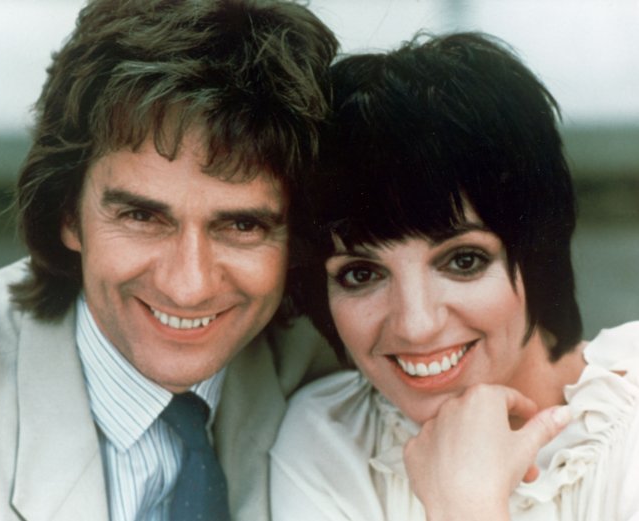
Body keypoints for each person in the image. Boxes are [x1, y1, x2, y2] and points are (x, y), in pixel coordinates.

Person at [0, 1, 340, 519]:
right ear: (68, 215)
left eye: (241, 226)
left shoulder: (338, 365)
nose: (188, 286)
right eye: (142, 217)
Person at [270, 32, 639, 520]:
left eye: (463, 261)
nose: (416, 325)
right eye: (361, 273)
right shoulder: (330, 441)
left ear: (538, 250)